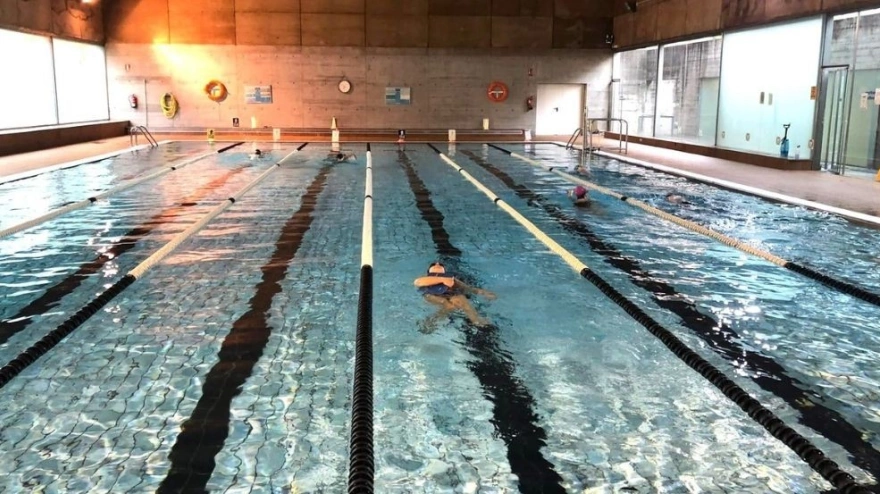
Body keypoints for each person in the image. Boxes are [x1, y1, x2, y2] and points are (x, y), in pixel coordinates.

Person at [414, 262, 496, 332]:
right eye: (434, 264)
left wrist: (484, 293)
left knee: (460, 299)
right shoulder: (425, 278)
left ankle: (476, 321)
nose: (437, 263)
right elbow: (418, 282)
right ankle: (431, 322)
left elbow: (468, 288)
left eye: (440, 264)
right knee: (447, 304)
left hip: (449, 295)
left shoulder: (452, 280)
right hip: (431, 296)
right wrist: (442, 280)